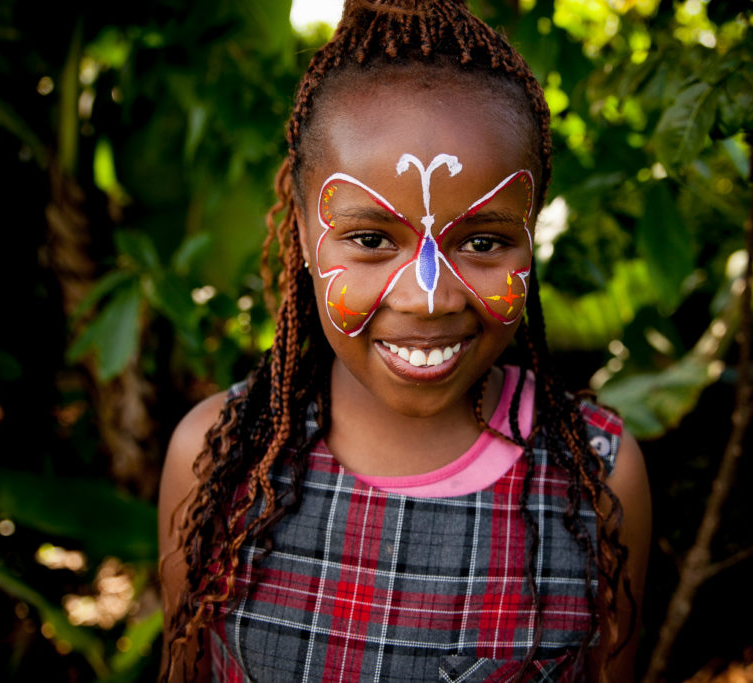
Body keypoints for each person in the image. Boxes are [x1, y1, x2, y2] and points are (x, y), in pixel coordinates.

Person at [158, 1, 651, 680]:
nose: (428, 297)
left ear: (531, 231)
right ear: (302, 230)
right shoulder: (217, 460)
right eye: (370, 239)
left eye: (484, 242)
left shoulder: (596, 480)